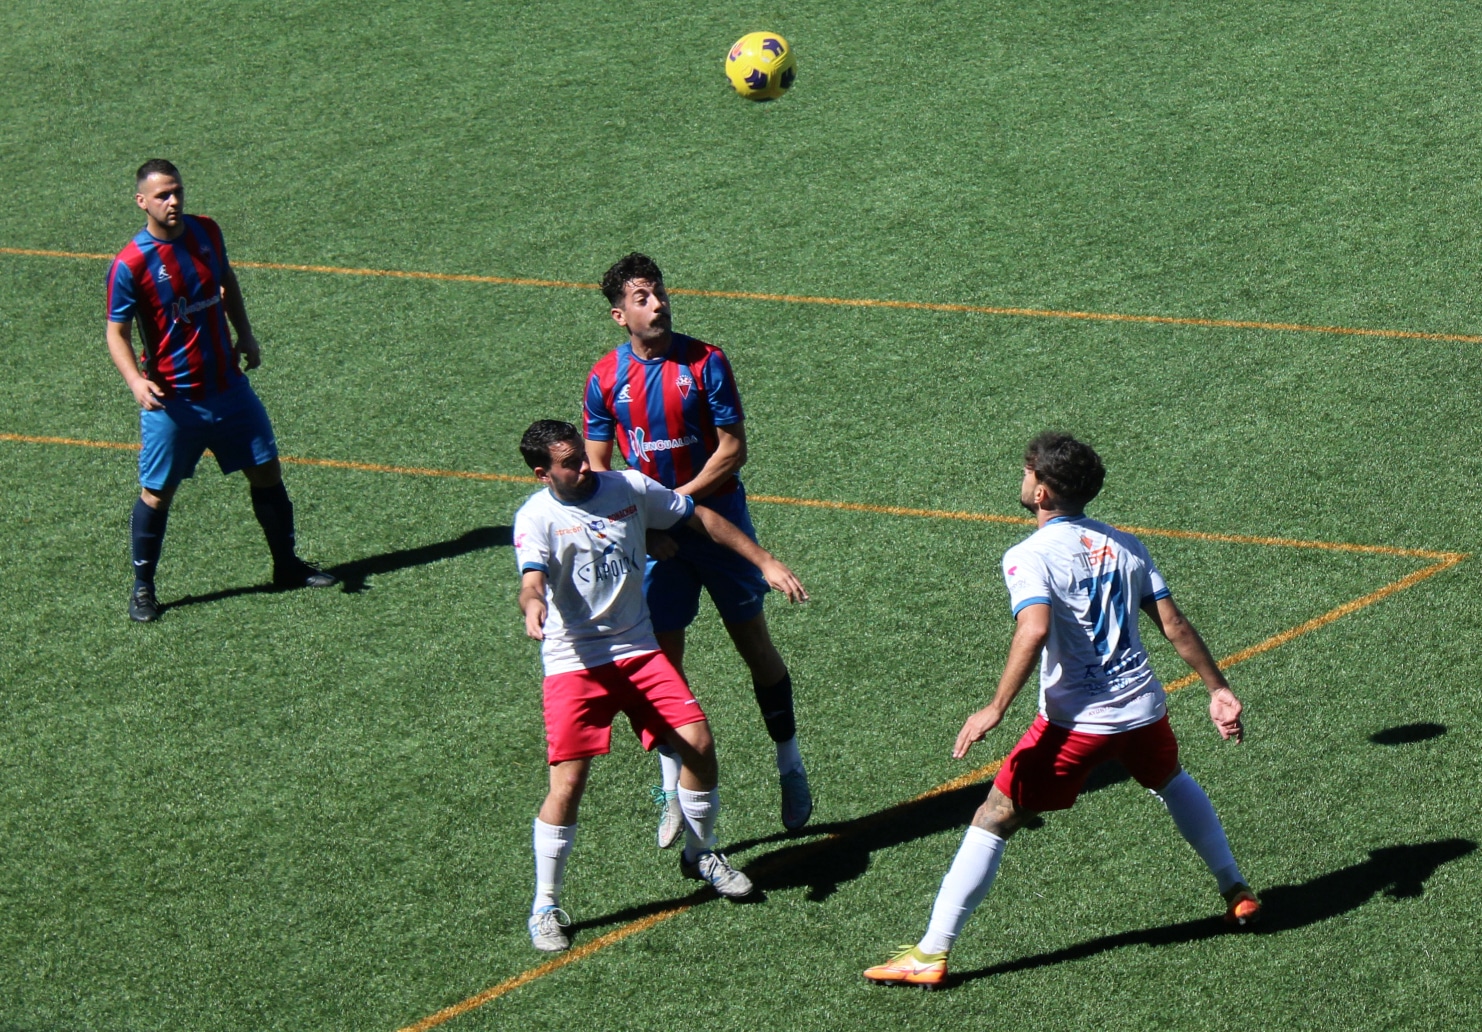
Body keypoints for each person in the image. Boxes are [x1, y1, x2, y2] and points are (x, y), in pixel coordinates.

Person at [863, 432, 1260, 989]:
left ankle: (930, 953)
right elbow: (1173, 624)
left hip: (1076, 725)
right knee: (1170, 779)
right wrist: (1217, 688)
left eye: (1027, 471)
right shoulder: (1127, 544)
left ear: (1043, 491)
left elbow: (1034, 628)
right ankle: (1236, 889)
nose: (1022, 478)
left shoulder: (1029, 555)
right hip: (1144, 710)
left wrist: (995, 707)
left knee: (993, 818)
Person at [513, 419, 808, 952]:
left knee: (698, 743)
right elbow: (531, 580)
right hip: (574, 662)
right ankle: (545, 905)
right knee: (568, 784)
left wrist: (765, 560)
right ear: (542, 473)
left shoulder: (626, 485)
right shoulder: (536, 517)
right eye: (570, 464)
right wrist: (532, 604)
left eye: (582, 455)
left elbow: (699, 517)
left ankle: (700, 853)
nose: (584, 467)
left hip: (638, 649)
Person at [582, 252, 813, 845]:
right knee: (663, 665)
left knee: (754, 645)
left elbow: (733, 450)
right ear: (619, 315)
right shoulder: (604, 379)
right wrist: (645, 525)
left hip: (719, 523)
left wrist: (673, 503)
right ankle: (670, 789)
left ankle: (789, 763)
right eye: (642, 298)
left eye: (659, 292)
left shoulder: (706, 361)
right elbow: (599, 469)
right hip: (656, 540)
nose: (657, 304)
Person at [105, 159, 335, 622]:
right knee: (157, 493)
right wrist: (135, 380)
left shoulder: (207, 231)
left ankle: (286, 565)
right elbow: (117, 331)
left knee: (267, 472)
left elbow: (226, 279)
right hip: (174, 402)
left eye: (177, 191)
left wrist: (244, 334)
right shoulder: (130, 264)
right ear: (142, 201)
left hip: (229, 388)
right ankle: (143, 587)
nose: (173, 201)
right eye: (163, 195)